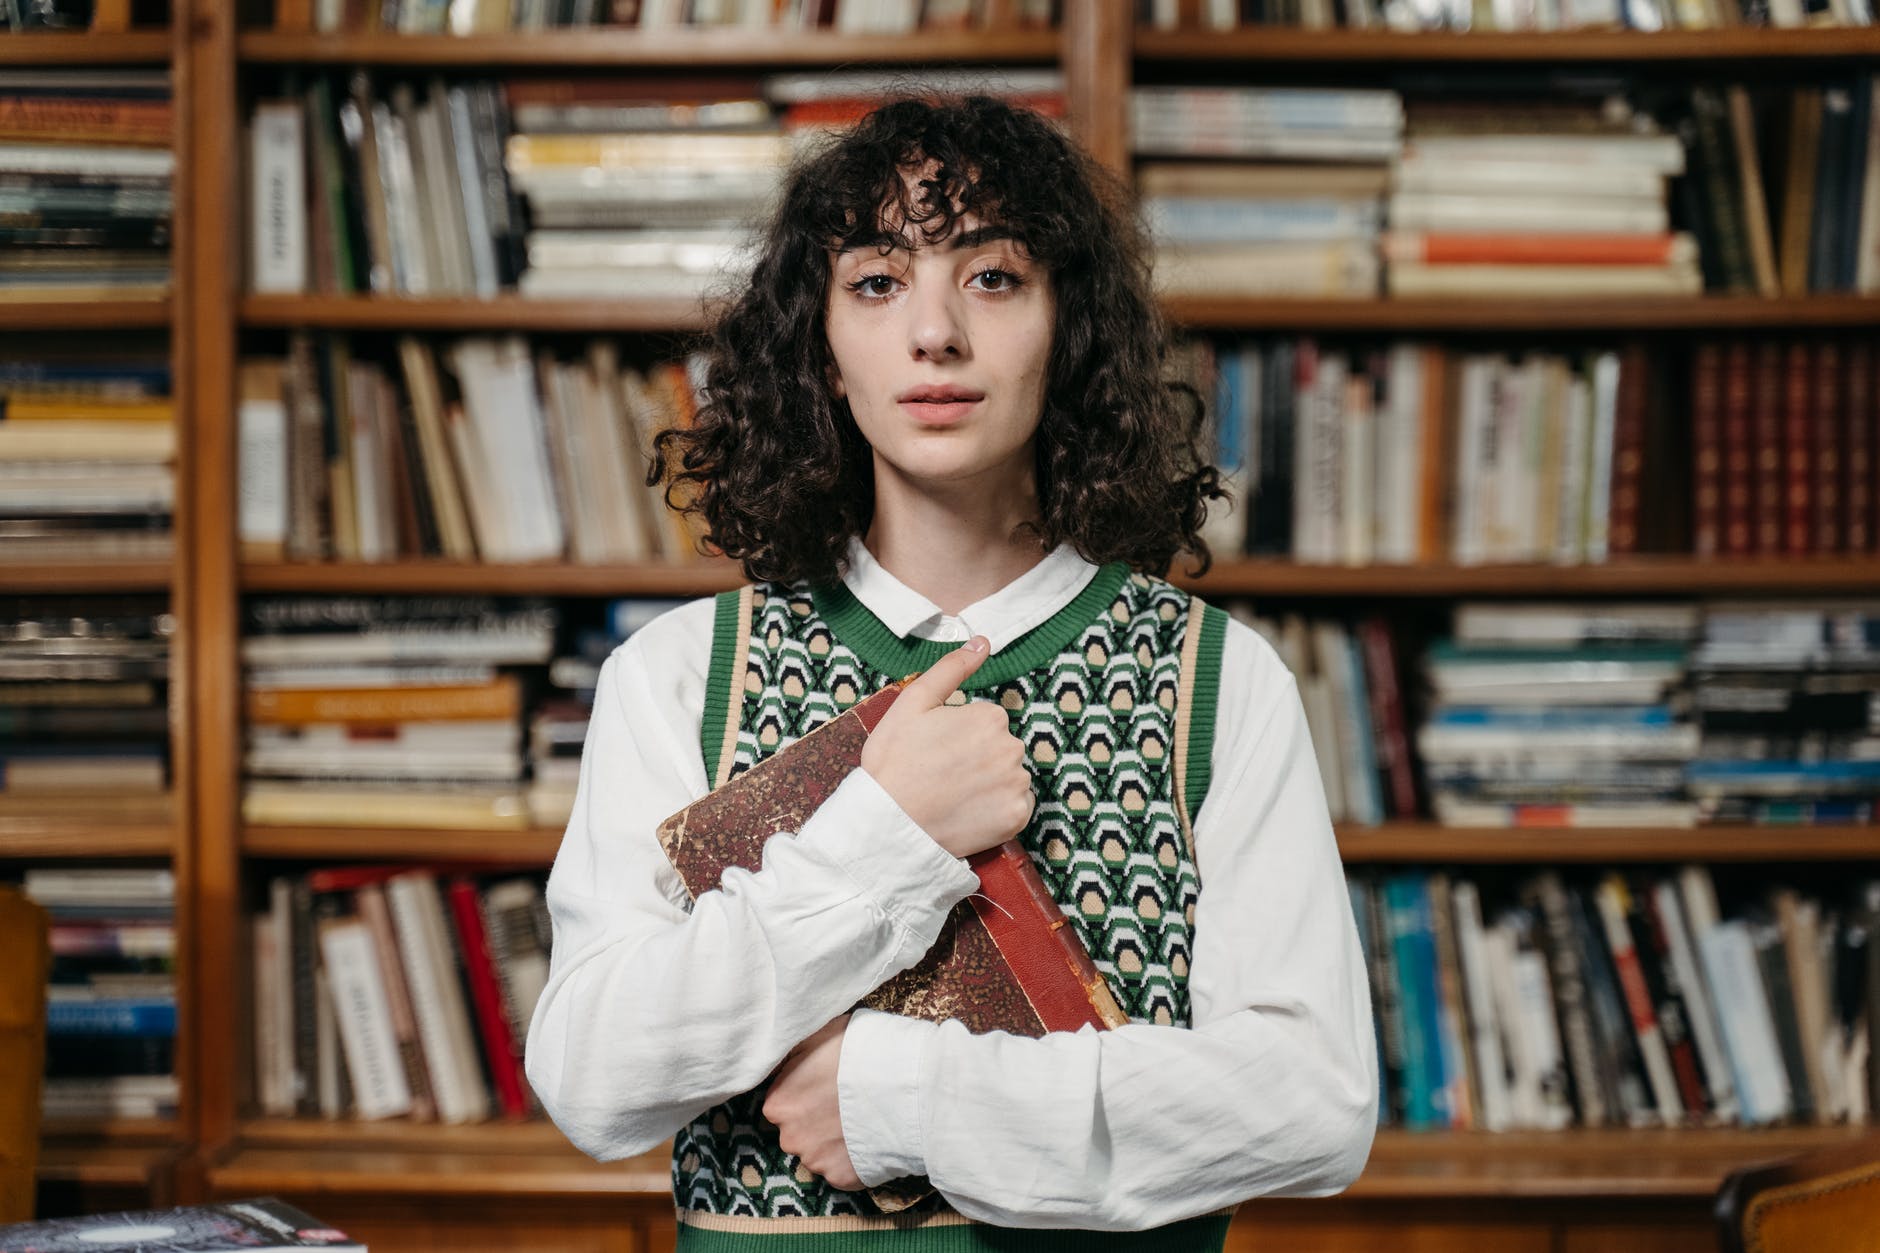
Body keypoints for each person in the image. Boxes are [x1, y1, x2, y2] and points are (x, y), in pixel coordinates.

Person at [524, 94, 1377, 1250]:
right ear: (820, 350)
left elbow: (1313, 1103)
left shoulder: (1214, 679)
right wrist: (883, 836)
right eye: (877, 282)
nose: (934, 334)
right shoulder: (678, 675)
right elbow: (590, 1079)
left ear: (1063, 326)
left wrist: (898, 1095)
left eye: (990, 278)